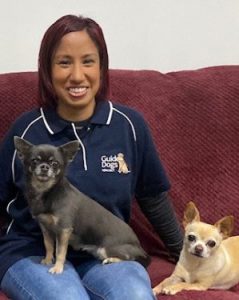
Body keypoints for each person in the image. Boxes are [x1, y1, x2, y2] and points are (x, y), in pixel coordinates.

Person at [0, 14, 183, 300]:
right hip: (32, 252)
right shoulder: (27, 130)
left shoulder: (129, 125)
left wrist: (185, 255)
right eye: (64, 62)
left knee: (134, 295)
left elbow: (154, 198)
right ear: (47, 70)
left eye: (87, 61)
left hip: (104, 249)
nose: (76, 75)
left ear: (102, 67)